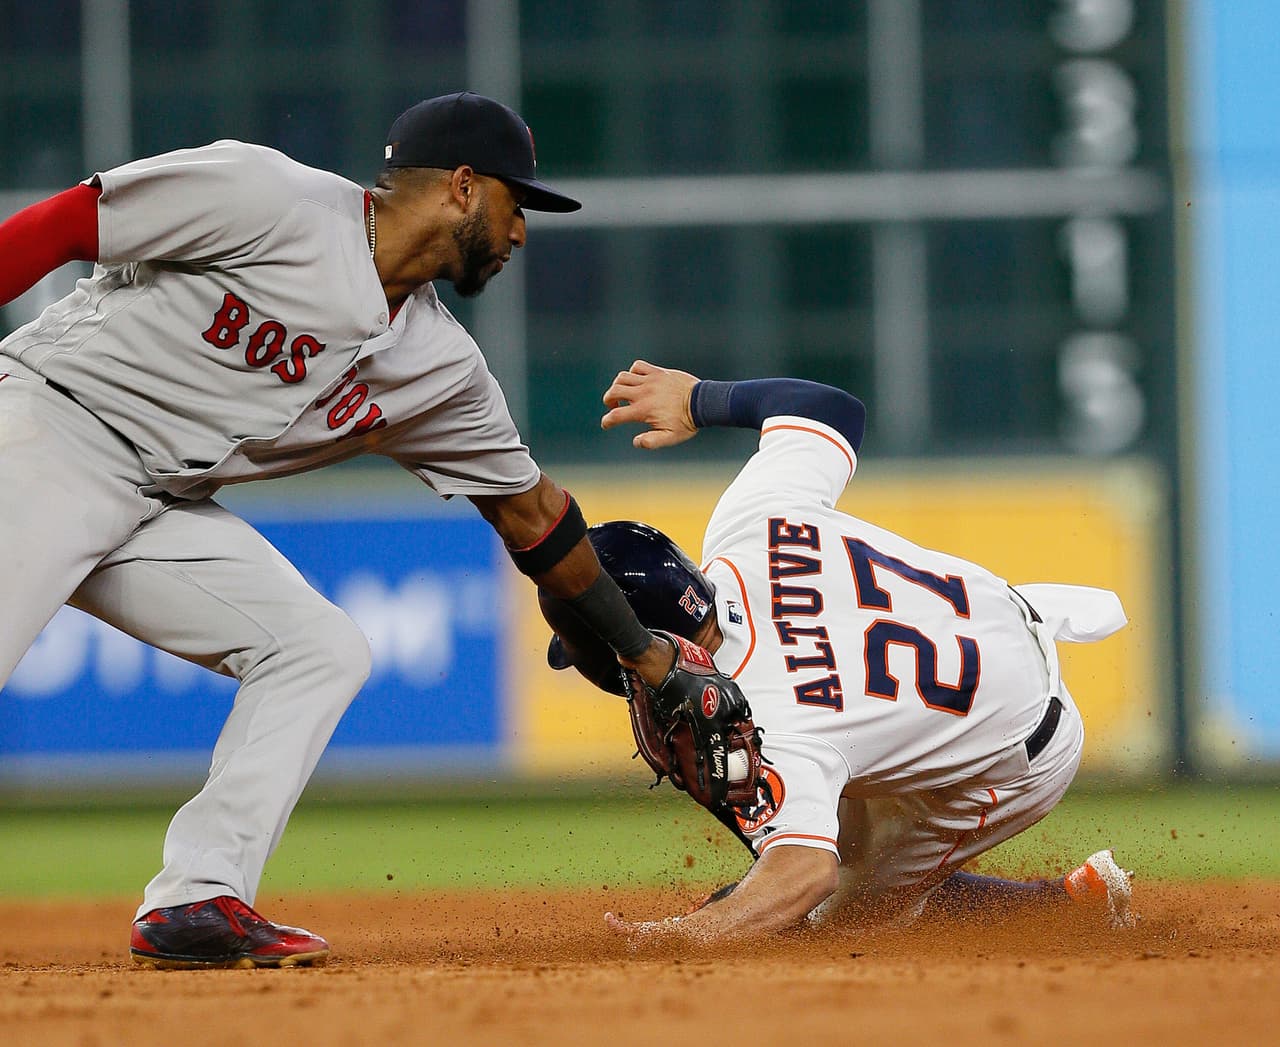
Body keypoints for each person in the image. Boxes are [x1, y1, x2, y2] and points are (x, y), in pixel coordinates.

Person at [0, 92, 680, 968]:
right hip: (50, 431)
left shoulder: (440, 368)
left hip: (157, 499)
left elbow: (535, 517)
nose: (521, 234)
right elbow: (63, 225)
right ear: (465, 187)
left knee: (319, 647)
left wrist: (639, 651)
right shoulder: (266, 195)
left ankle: (199, 897)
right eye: (519, 204)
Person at [544, 361, 1135, 945]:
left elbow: (802, 877)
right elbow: (830, 410)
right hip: (990, 629)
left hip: (1014, 744)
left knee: (829, 917)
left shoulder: (769, 719)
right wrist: (700, 399)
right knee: (837, 843)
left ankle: (1070, 908)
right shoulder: (749, 524)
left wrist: (683, 935)